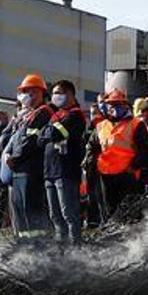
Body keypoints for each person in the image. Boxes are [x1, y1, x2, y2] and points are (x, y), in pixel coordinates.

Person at [3, 74, 55, 240]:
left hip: (31, 169)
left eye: (29, 91)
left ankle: (38, 246)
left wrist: (14, 158)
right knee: (20, 209)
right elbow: (15, 138)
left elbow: (31, 141)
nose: (25, 95)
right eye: (23, 91)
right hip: (20, 169)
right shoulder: (28, 115)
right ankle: (25, 245)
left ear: (40, 93)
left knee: (31, 209)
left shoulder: (43, 113)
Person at [38, 80, 88, 245]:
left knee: (69, 213)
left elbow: (54, 134)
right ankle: (61, 249)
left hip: (65, 171)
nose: (55, 97)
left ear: (71, 94)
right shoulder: (56, 115)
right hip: (49, 170)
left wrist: (49, 131)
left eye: (59, 93)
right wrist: (49, 131)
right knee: (55, 214)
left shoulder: (76, 115)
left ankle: (75, 248)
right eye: (54, 93)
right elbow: (40, 138)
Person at [95, 89, 148, 216]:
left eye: (118, 104)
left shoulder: (136, 124)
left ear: (125, 105)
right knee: (110, 212)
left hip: (127, 175)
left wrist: (134, 166)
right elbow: (93, 147)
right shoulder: (101, 126)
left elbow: (146, 150)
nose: (114, 107)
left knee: (130, 213)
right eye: (112, 104)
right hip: (106, 175)